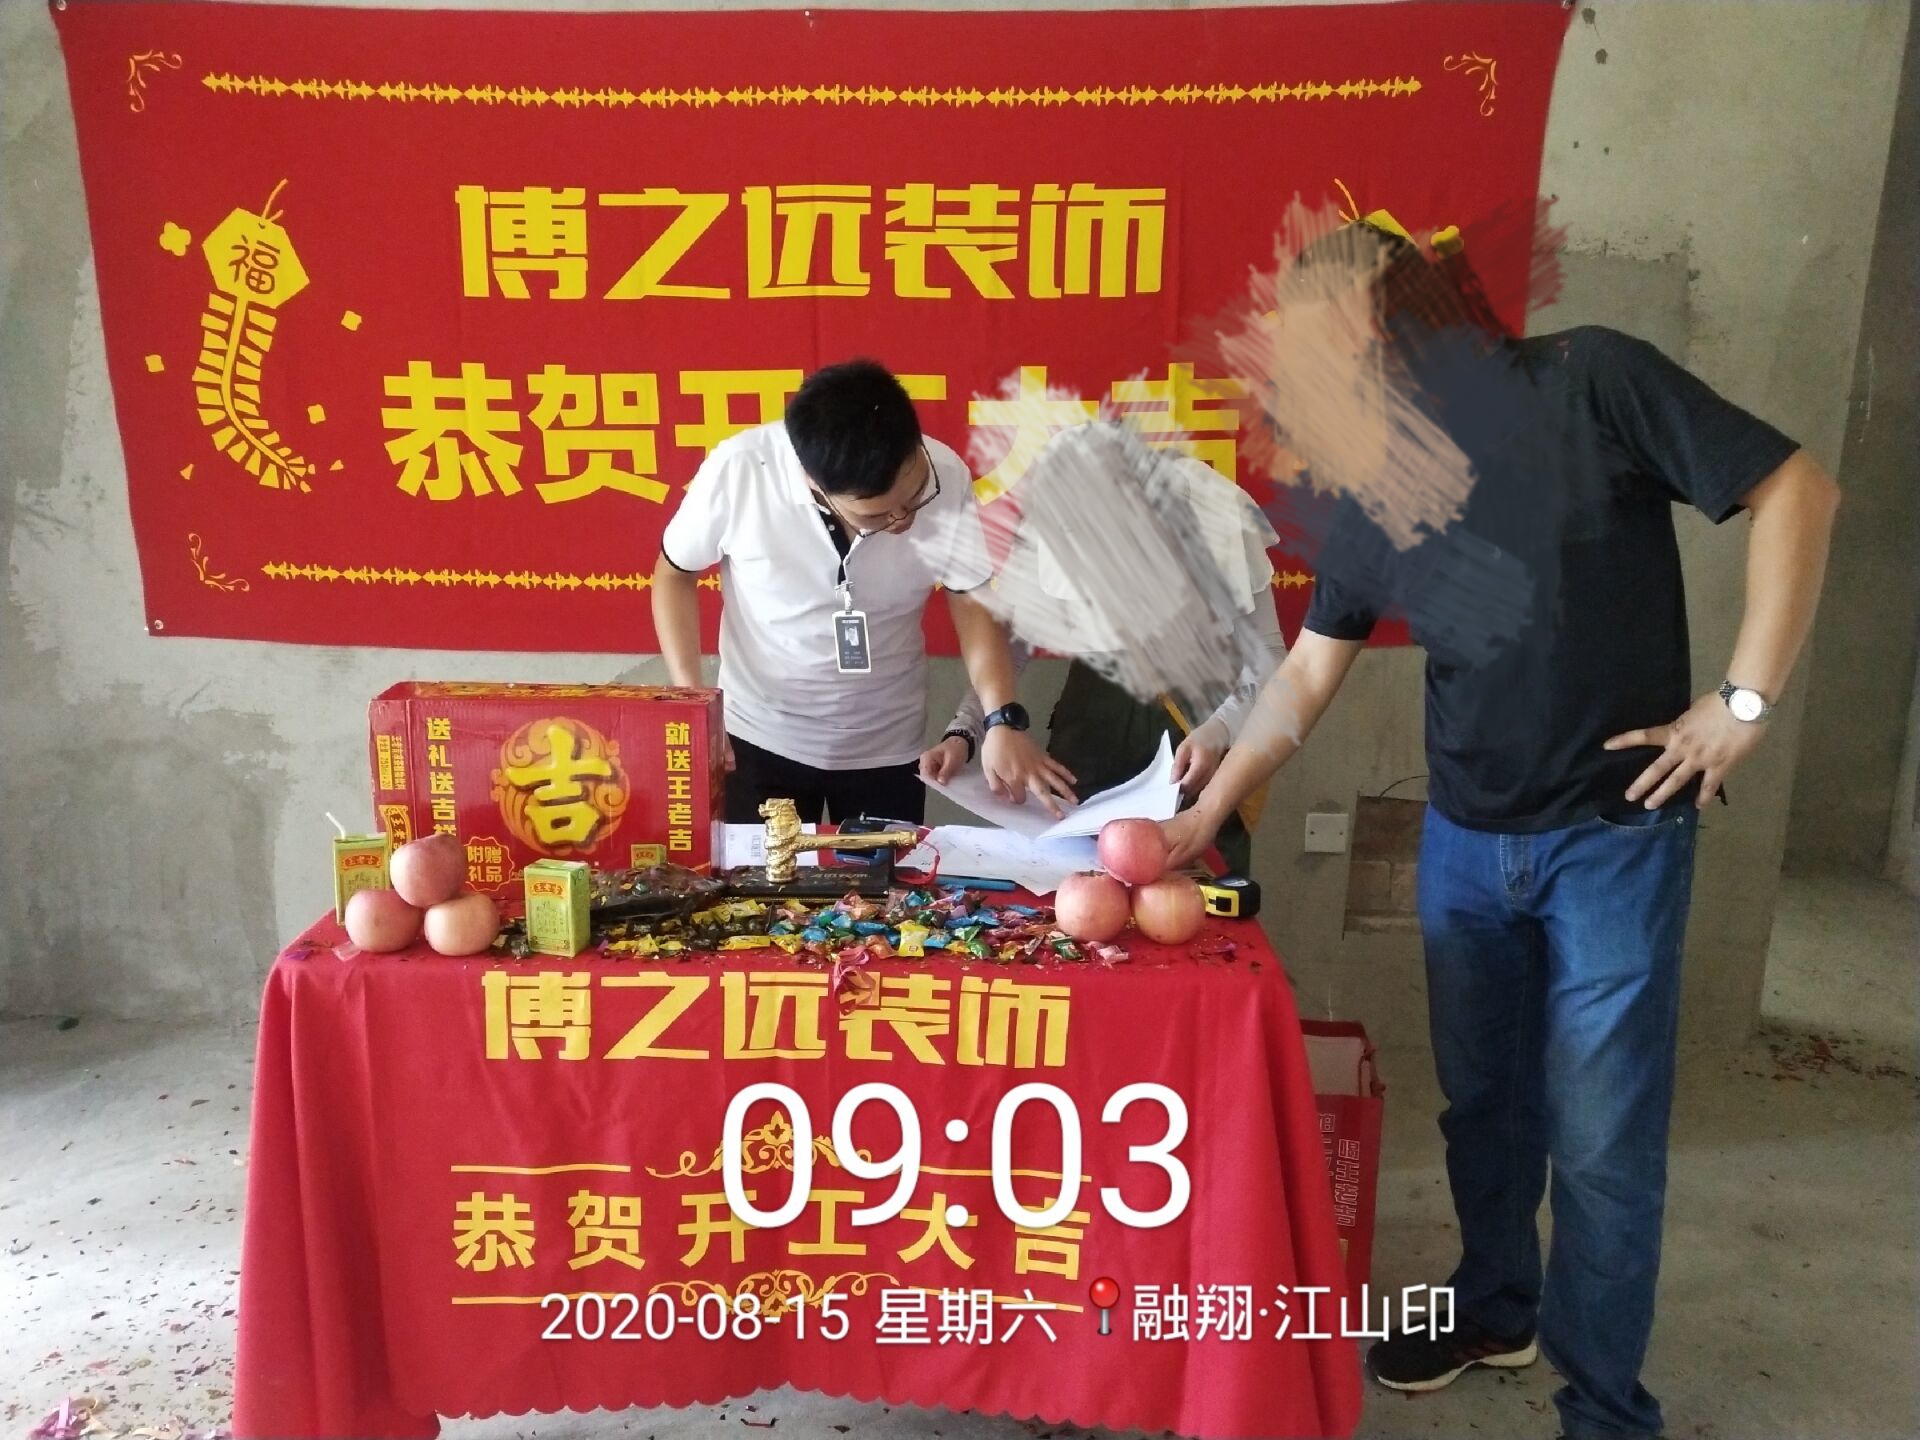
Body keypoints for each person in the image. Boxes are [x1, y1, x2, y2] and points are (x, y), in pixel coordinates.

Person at [1163, 226, 1840, 1440]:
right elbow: (1308, 673)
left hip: (1613, 840)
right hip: (1467, 843)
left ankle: (1605, 1409)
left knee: (1602, 1143)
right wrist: (1212, 805)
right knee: (1483, 1108)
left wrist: (1741, 705)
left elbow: (1797, 487)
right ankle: (1494, 1309)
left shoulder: (1592, 379)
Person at [652, 359, 1074, 827]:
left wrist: (999, 718)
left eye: (915, 497)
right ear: (814, 484)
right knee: (762, 876)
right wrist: (695, 703)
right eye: (877, 516)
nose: (904, 520)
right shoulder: (740, 471)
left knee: (887, 875)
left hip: (887, 744)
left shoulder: (946, 474)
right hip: (759, 736)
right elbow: (673, 574)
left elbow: (969, 598)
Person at [927, 436, 1288, 876]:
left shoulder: (1218, 516)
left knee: (1192, 892)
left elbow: (1268, 654)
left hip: (1203, 725)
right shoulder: (1055, 520)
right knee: (1078, 884)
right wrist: (967, 729)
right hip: (1094, 725)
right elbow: (1013, 644)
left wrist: (1221, 728)